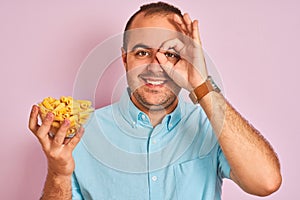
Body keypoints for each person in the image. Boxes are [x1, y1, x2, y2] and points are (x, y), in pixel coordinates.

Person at [29, 2, 282, 199]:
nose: (155, 66)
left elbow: (266, 183)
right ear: (125, 59)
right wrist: (59, 173)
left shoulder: (211, 126)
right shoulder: (81, 132)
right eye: (142, 53)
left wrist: (202, 85)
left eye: (170, 54)